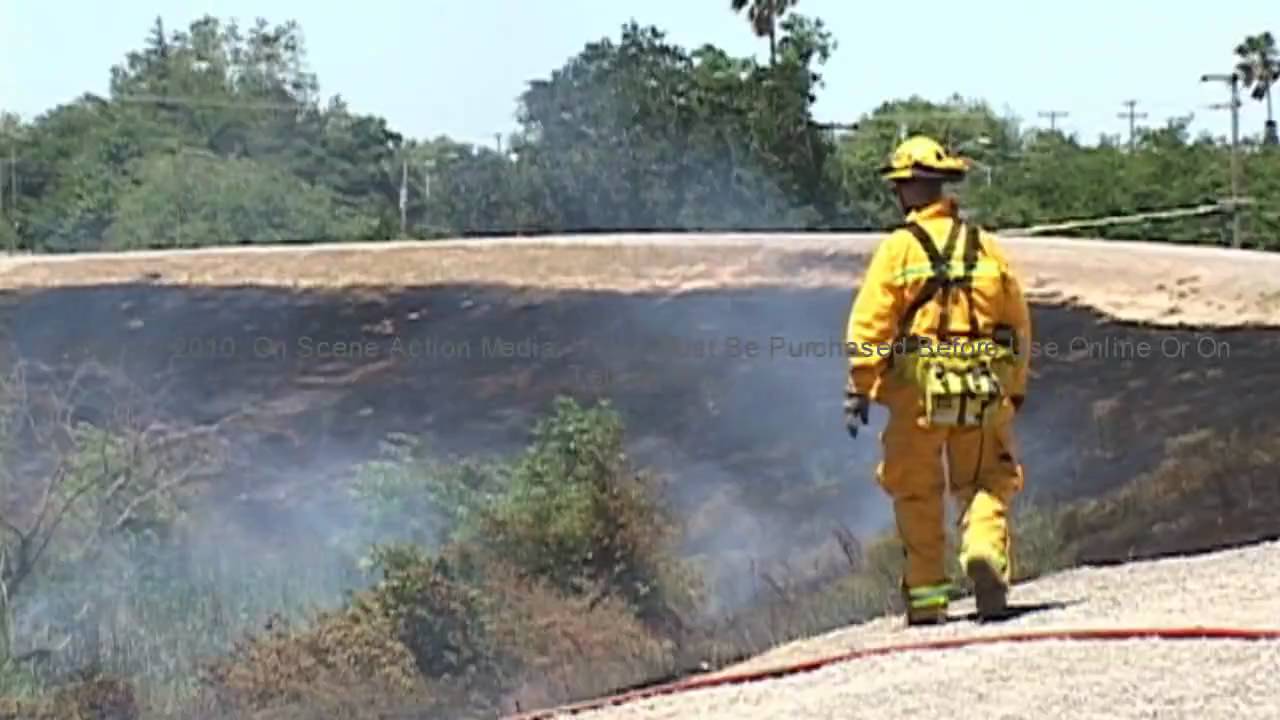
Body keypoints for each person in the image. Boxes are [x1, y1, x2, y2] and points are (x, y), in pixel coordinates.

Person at [842, 135, 1033, 626]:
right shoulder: (985, 246)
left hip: (917, 390)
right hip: (980, 382)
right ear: (944, 186)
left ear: (906, 191)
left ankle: (927, 599)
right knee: (987, 477)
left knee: (918, 490)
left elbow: (871, 324)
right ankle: (984, 549)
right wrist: (1014, 386)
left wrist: (860, 386)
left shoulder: (897, 250)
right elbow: (1016, 323)